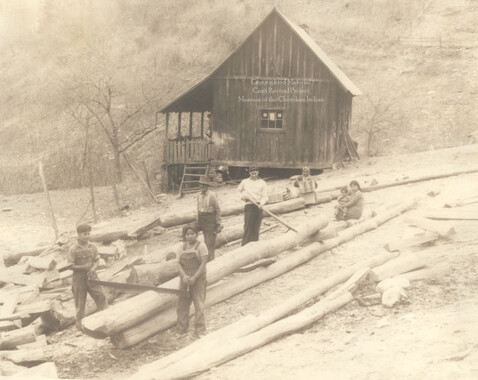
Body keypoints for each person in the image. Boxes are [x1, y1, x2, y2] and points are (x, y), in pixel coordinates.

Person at [68, 224, 107, 334]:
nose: (87, 236)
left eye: (89, 234)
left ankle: (107, 319)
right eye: (85, 234)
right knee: (80, 304)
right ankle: (80, 328)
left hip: (92, 277)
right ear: (79, 235)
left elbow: (97, 260)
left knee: (101, 297)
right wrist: (82, 268)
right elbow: (70, 266)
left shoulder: (93, 247)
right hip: (79, 279)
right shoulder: (73, 249)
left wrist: (94, 269)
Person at [176, 225, 208, 337]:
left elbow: (203, 263)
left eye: (192, 233)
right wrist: (184, 276)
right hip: (185, 279)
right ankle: (181, 329)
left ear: (197, 234)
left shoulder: (201, 246)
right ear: (184, 236)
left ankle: (200, 330)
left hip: (198, 279)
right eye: (187, 234)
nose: (190, 236)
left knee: (199, 304)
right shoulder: (181, 247)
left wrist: (194, 277)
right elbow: (178, 263)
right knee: (182, 304)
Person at [237, 165, 268, 246]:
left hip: (258, 206)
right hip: (249, 206)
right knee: (248, 227)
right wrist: (243, 197)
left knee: (256, 228)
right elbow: (238, 191)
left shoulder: (262, 183)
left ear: (258, 172)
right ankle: (244, 246)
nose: (253, 175)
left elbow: (265, 196)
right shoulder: (245, 182)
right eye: (252, 173)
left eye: (255, 173)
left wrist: (262, 203)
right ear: (249, 173)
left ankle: (254, 247)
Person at [196, 175, 222, 261]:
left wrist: (218, 223)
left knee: (209, 242)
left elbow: (218, 210)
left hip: (210, 219)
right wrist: (197, 221)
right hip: (201, 218)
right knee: (190, 233)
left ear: (207, 186)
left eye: (203, 185)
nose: (201, 187)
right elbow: (198, 208)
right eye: (200, 185)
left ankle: (211, 260)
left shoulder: (212, 195)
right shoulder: (198, 195)